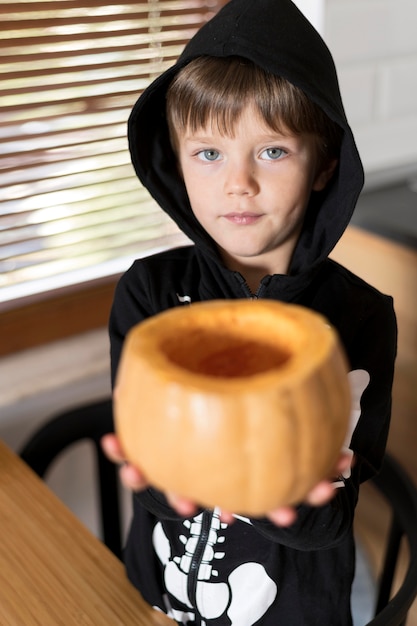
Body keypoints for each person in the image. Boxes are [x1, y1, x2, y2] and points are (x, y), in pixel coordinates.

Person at [102, 0, 397, 623]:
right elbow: (150, 467)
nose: (239, 183)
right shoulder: (148, 294)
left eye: (272, 151)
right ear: (176, 163)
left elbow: (326, 522)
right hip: (156, 600)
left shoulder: (363, 319)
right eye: (209, 153)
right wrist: (161, 473)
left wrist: (271, 489)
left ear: (324, 164)